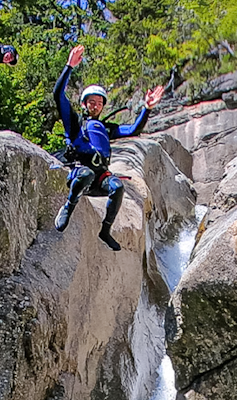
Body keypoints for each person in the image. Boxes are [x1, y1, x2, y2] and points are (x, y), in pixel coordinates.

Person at [53, 44, 164, 251]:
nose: (95, 106)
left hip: (100, 178)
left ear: (103, 106)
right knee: (85, 174)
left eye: (99, 103)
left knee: (117, 186)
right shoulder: (75, 124)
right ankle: (68, 207)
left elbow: (133, 130)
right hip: (79, 175)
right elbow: (58, 95)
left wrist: (147, 108)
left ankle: (105, 230)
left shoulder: (106, 128)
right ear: (84, 104)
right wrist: (69, 66)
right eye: (91, 102)